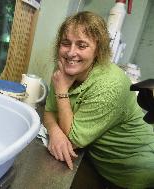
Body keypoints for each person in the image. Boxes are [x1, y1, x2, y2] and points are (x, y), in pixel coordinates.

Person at [43, 11, 154, 188]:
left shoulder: (110, 85)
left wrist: (62, 90)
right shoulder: (63, 71)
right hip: (100, 164)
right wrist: (55, 132)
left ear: (97, 50)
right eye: (66, 43)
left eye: (82, 45)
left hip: (134, 171)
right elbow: (49, 111)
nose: (71, 53)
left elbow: (73, 140)